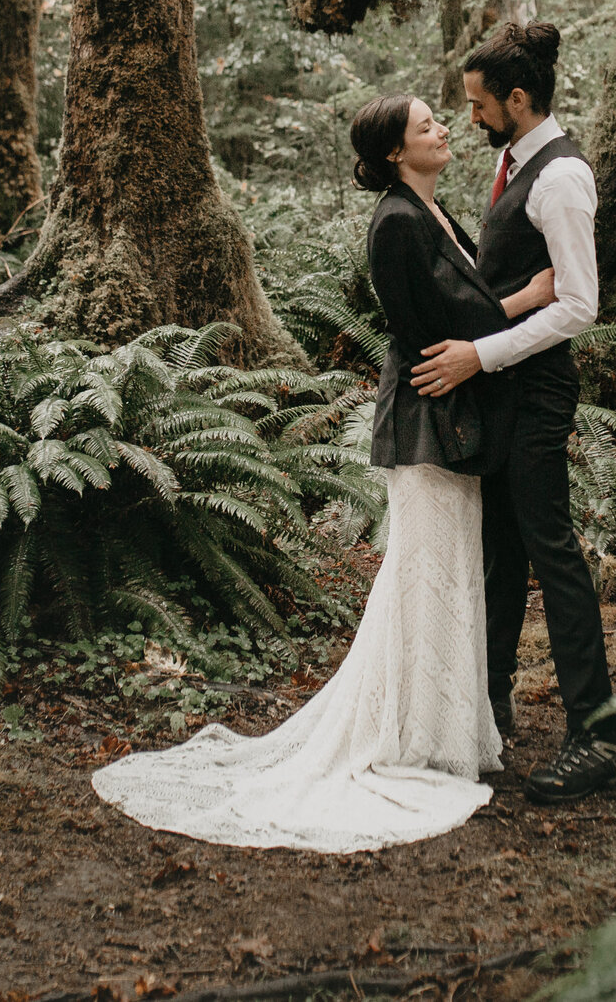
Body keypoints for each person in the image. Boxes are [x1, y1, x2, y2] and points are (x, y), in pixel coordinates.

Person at [90, 95, 557, 851]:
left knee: (444, 572)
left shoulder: (433, 213)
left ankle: (440, 732)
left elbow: (459, 307)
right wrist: (527, 300)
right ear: (397, 153)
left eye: (440, 118)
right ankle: (408, 742)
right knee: (424, 573)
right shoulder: (397, 223)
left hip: (454, 424)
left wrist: (497, 315)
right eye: (427, 124)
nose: (444, 129)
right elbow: (434, 327)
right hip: (426, 426)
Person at [409, 22, 616, 805]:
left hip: (535, 393)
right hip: (501, 388)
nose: (469, 117)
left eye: (478, 104)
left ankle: (596, 736)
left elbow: (580, 305)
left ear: (519, 99)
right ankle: (488, 710)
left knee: (551, 551)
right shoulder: (514, 160)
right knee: (500, 551)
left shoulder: (562, 179)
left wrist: (481, 354)